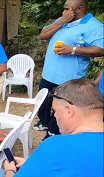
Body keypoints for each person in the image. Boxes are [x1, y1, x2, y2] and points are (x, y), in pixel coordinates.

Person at [0, 79, 104, 177]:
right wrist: (36, 165)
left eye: (54, 111)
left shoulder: (55, 147)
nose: (54, 116)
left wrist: (10, 171)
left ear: (69, 110)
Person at [33, 0, 104, 139]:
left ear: (79, 9)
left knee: (60, 111)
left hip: (67, 80)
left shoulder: (94, 26)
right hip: (48, 76)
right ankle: (45, 124)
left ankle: (52, 137)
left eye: (66, 9)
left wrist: (72, 50)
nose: (63, 12)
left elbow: (100, 49)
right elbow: (43, 35)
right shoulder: (63, 20)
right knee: (42, 107)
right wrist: (61, 21)